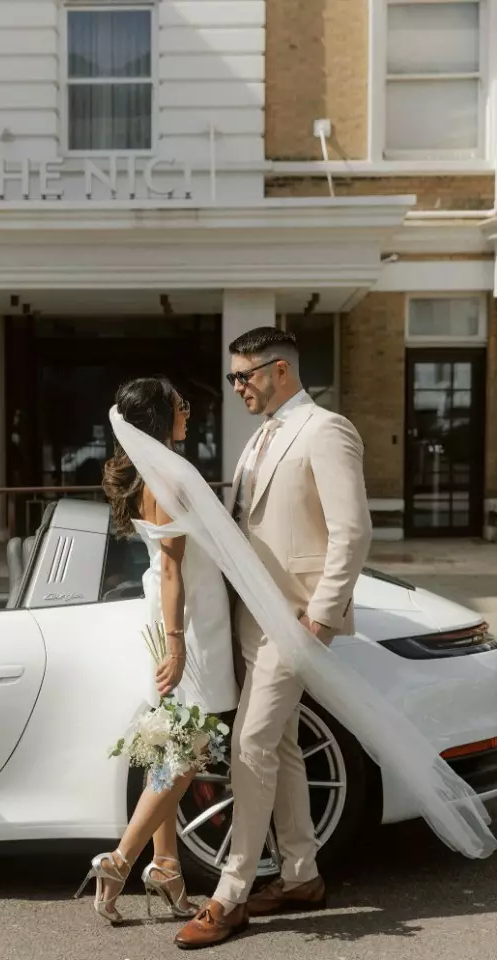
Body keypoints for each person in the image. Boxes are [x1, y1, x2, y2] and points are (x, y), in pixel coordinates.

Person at [174, 327, 373, 949]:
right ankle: (301, 877)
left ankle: (230, 894)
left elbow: (353, 532)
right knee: (281, 745)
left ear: (280, 370)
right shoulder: (258, 438)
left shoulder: (326, 429)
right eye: (234, 377)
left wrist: (319, 615)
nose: (237, 387)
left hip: (294, 618)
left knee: (252, 746)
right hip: (251, 616)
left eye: (245, 376)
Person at [75, 376, 238, 925]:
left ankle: (166, 864)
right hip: (188, 623)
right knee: (188, 748)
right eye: (179, 405)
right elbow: (171, 566)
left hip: (185, 615)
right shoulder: (164, 473)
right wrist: (177, 647)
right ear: (159, 416)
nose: (187, 412)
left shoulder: (156, 467)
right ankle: (120, 860)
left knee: (172, 744)